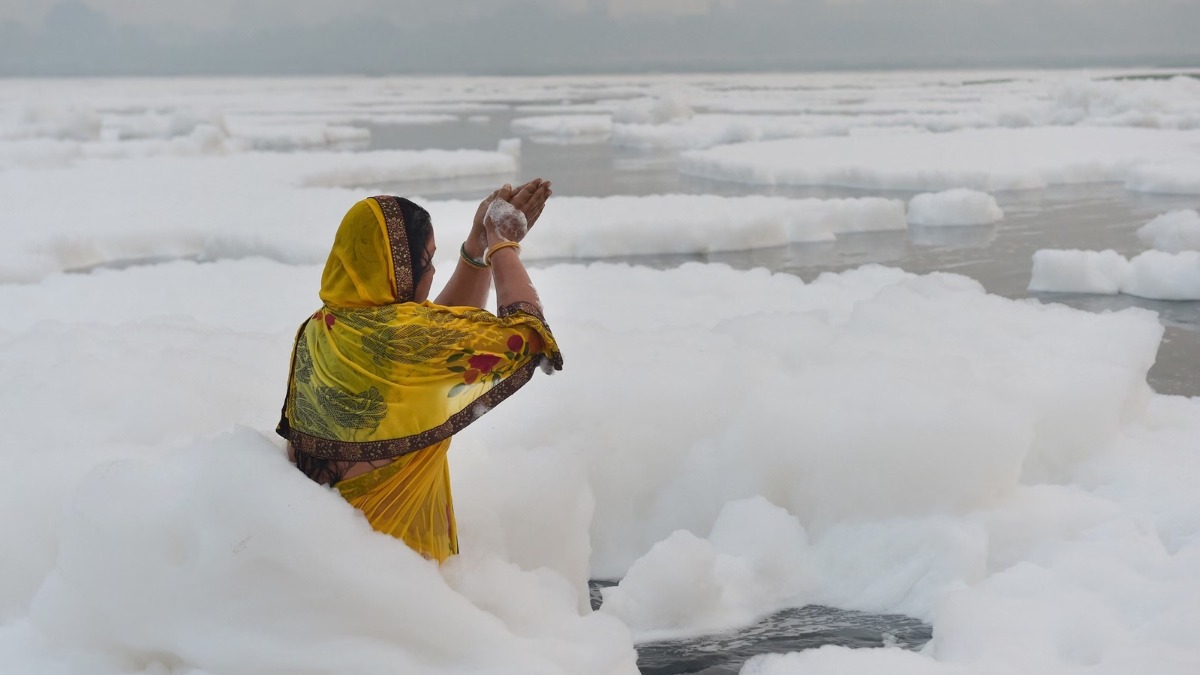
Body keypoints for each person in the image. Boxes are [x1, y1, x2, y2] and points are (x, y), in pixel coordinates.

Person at [276, 180, 561, 562]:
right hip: (403, 580)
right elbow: (528, 336)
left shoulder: (320, 329)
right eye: (425, 263)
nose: (429, 276)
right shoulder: (401, 344)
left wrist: (476, 248)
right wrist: (502, 245)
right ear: (395, 270)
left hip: (329, 568)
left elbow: (428, 341)